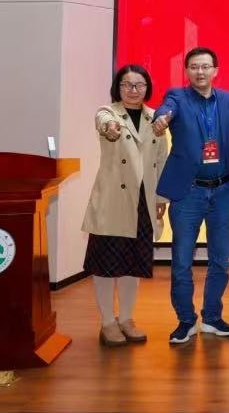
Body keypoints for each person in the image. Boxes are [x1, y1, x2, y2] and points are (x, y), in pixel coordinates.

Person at [153, 47, 229, 344]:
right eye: (194, 67)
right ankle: (185, 320)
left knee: (221, 259)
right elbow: (165, 110)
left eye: (205, 67)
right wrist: (161, 118)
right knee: (182, 261)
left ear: (215, 70)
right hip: (188, 192)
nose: (200, 72)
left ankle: (212, 317)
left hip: (223, 191)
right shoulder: (177, 97)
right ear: (187, 71)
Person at [83, 64, 169, 347]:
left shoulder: (155, 118)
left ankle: (127, 318)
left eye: (139, 85)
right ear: (117, 88)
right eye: (126, 84)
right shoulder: (108, 112)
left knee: (134, 265)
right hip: (114, 201)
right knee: (106, 265)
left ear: (147, 87)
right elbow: (104, 122)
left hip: (144, 201)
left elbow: (162, 160)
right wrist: (109, 128)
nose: (133, 90)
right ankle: (108, 322)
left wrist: (161, 199)